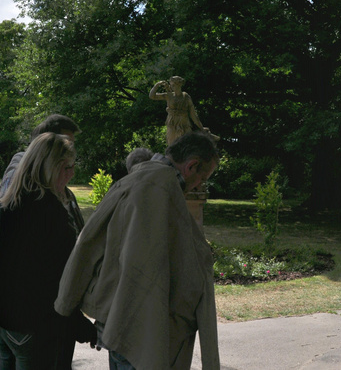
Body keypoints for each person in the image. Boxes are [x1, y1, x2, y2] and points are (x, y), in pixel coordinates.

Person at [56, 132, 223, 370]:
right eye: (202, 178)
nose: (199, 185)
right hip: (146, 328)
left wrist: (66, 302)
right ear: (192, 165)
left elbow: (88, 241)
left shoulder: (133, 180)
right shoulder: (161, 189)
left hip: (117, 322)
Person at [0, 133, 94, 369]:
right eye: (67, 167)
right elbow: (57, 280)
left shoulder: (6, 202)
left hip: (3, 321)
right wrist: (79, 324)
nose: (72, 173)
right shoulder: (50, 212)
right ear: (49, 167)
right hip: (31, 324)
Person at [1, 115, 81, 202]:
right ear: (47, 144)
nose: (71, 150)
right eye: (65, 144)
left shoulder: (62, 192)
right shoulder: (20, 175)